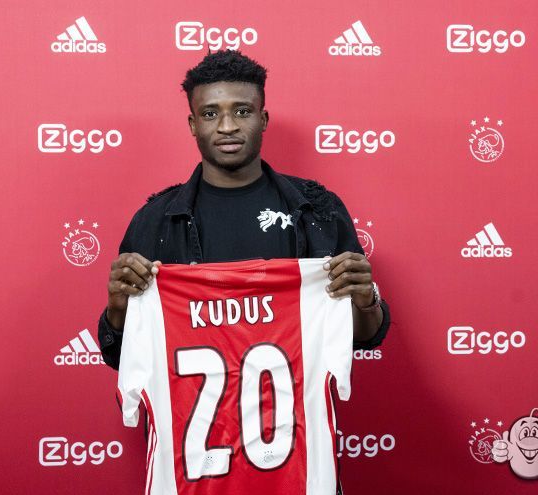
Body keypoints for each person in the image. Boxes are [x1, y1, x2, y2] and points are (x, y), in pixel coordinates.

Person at [97, 49, 389, 370]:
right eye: (210, 113)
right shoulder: (155, 220)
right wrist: (118, 309)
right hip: (192, 402)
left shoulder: (318, 211)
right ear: (193, 124)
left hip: (293, 401)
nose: (227, 126)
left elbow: (365, 336)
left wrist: (366, 299)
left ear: (262, 119)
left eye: (242, 111)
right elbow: (120, 356)